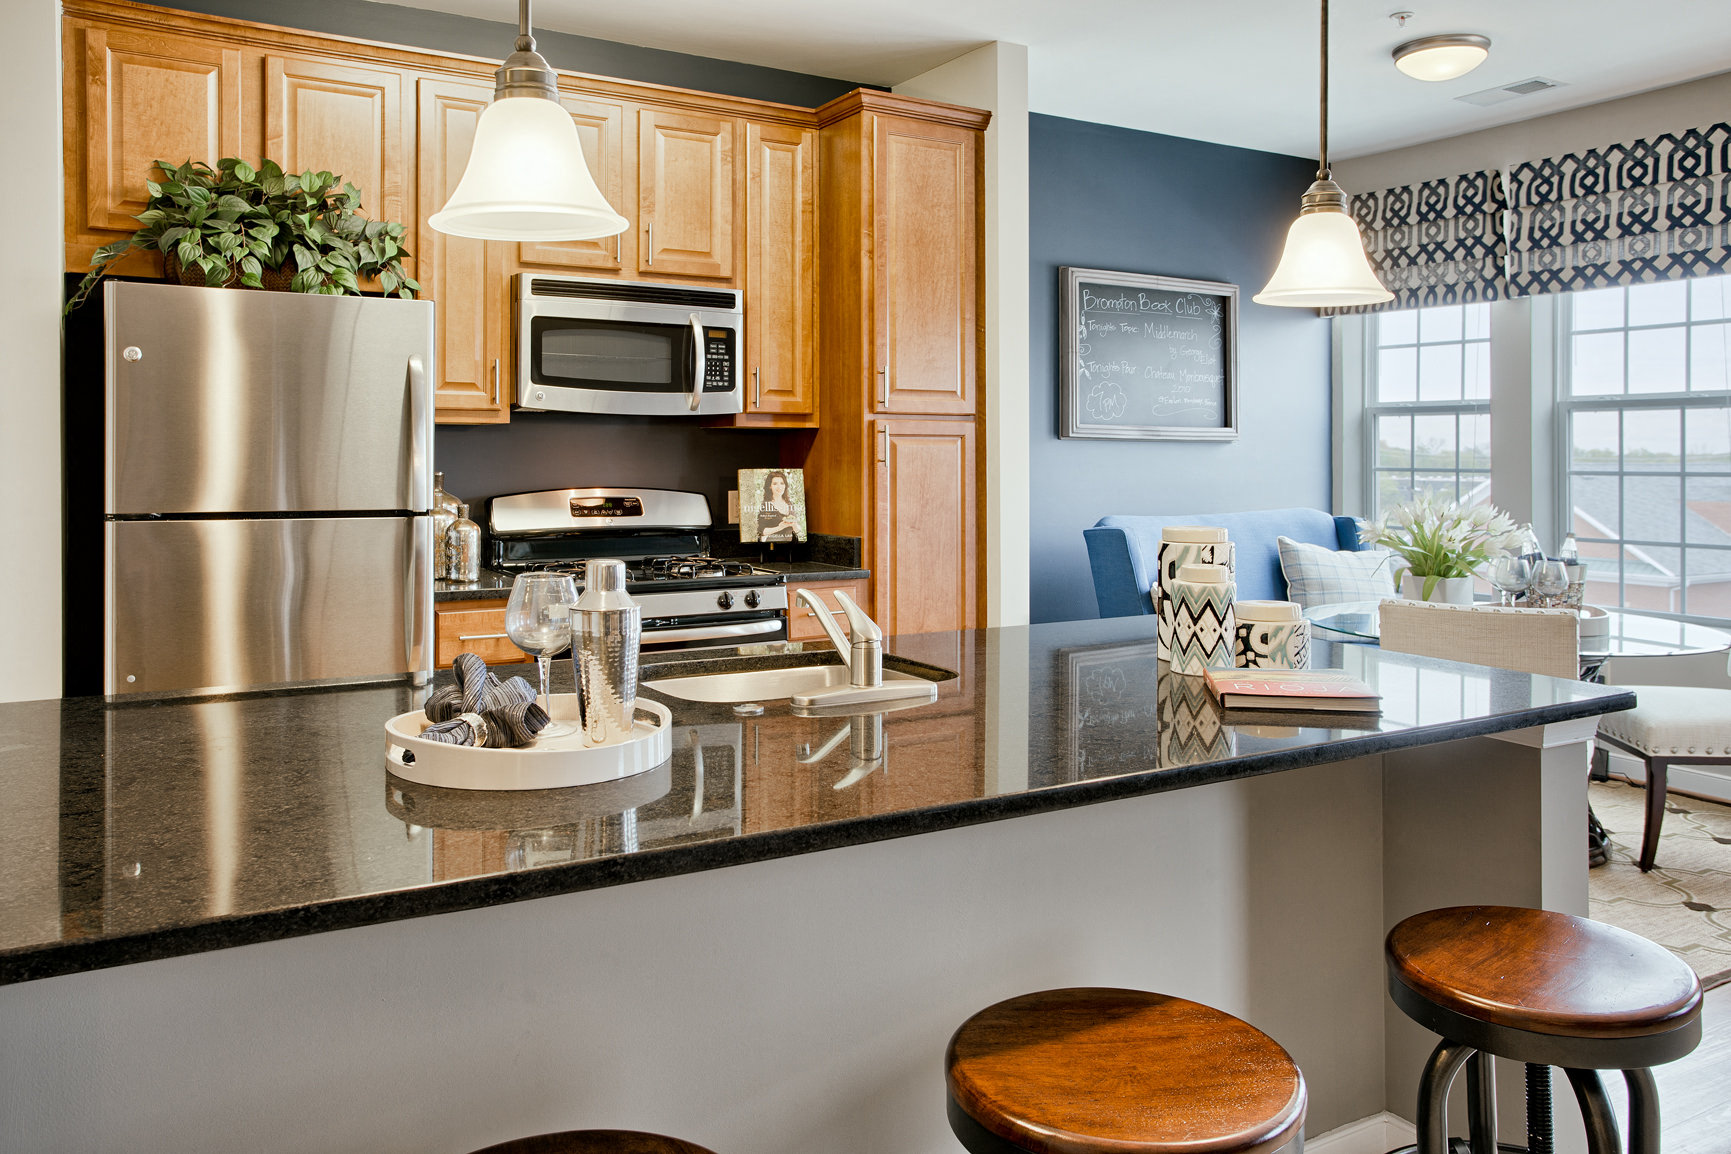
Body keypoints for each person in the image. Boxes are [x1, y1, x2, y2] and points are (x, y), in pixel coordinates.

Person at [756, 470, 800, 542]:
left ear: (785, 486)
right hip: (773, 543)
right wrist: (780, 527)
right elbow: (762, 530)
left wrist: (794, 525)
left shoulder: (789, 504)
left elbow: (797, 530)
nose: (779, 487)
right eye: (775, 484)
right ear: (770, 486)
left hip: (790, 544)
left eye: (782, 483)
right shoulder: (766, 505)